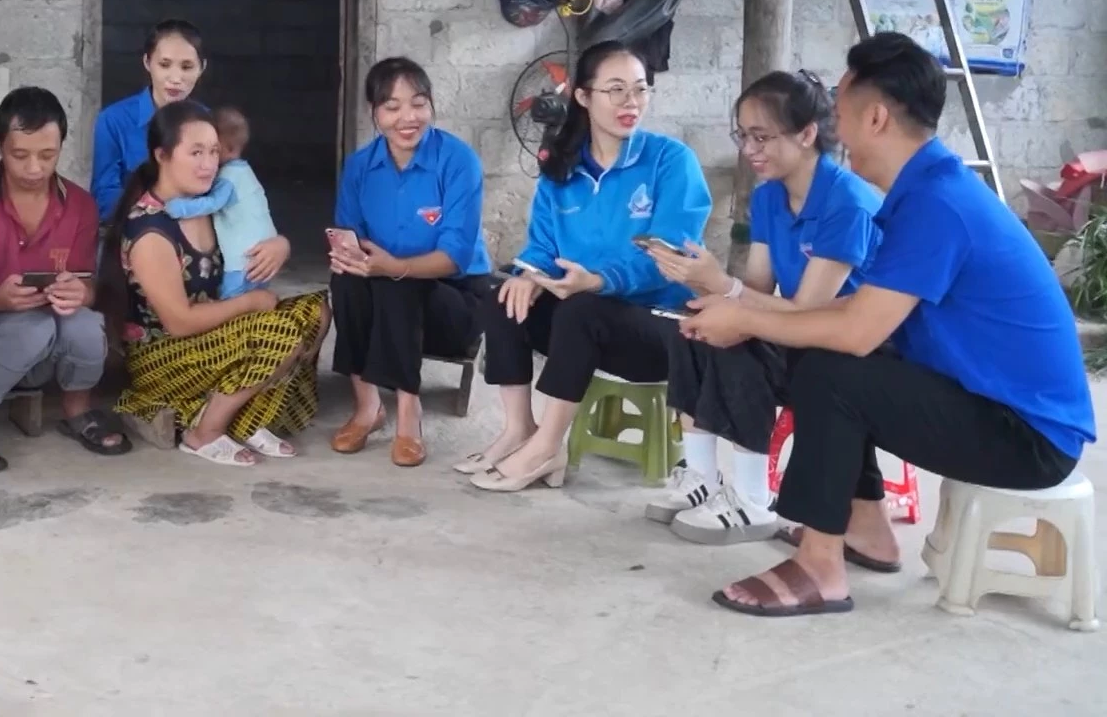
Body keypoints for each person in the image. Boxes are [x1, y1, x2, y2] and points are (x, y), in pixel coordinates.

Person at [680, 33, 1096, 617]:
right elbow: (857, 314)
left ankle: (821, 568)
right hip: (991, 404)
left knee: (831, 373)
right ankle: (867, 527)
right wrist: (743, 312)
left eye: (841, 113)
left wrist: (745, 317)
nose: (837, 132)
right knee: (829, 359)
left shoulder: (937, 203)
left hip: (1029, 437)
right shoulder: (924, 189)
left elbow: (856, 330)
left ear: (875, 117)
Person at [641, 70, 882, 545]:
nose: (749, 150)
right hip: (798, 330)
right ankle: (701, 478)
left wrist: (723, 287)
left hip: (846, 347)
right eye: (743, 136)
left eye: (762, 137)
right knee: (695, 326)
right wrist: (706, 287)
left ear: (807, 134)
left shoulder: (847, 203)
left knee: (740, 342)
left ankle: (753, 499)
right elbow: (755, 287)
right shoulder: (770, 195)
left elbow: (807, 312)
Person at [461, 40, 712, 493]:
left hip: (660, 327)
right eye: (615, 89)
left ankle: (547, 447)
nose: (630, 102)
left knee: (582, 309)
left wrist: (597, 281)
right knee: (503, 297)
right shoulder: (563, 170)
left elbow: (671, 254)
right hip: (585, 322)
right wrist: (531, 276)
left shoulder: (671, 161)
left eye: (640, 89)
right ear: (583, 96)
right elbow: (542, 246)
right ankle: (519, 430)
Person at [95, 101, 326, 466]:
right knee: (279, 332)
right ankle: (204, 432)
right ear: (162, 155)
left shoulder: (208, 203)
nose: (208, 164)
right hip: (165, 357)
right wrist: (249, 303)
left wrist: (280, 245)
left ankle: (247, 419)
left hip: (216, 333)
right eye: (196, 152)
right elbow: (179, 322)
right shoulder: (150, 229)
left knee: (316, 310)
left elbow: (254, 230)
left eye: (214, 152)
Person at [0, 86, 129, 471]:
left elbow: (90, 287)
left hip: (46, 355)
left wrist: (81, 294)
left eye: (47, 155)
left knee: (86, 323)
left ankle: (77, 410)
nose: (35, 169)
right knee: (31, 327)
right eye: (20, 155)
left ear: (61, 147)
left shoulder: (80, 205)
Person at [328, 58, 494, 469]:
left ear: (431, 105)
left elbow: (455, 256)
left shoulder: (457, 161)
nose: (408, 117)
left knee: (397, 282)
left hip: (456, 302)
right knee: (346, 280)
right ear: (374, 112)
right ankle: (368, 406)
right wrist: (349, 255)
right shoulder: (360, 167)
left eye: (418, 104)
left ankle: (408, 412)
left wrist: (393, 267)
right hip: (385, 296)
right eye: (392, 106)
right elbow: (350, 236)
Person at [91, 19, 206, 220]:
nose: (175, 78)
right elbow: (104, 196)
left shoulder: (207, 123)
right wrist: (152, 217)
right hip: (131, 230)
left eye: (187, 67)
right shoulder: (113, 120)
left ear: (202, 68)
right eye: (164, 65)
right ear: (147, 62)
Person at [170, 106, 280, 300]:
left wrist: (178, 207)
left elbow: (212, 203)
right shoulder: (245, 172)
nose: (207, 158)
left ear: (228, 149)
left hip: (243, 261)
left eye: (213, 150)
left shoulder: (229, 176)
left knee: (230, 304)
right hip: (262, 256)